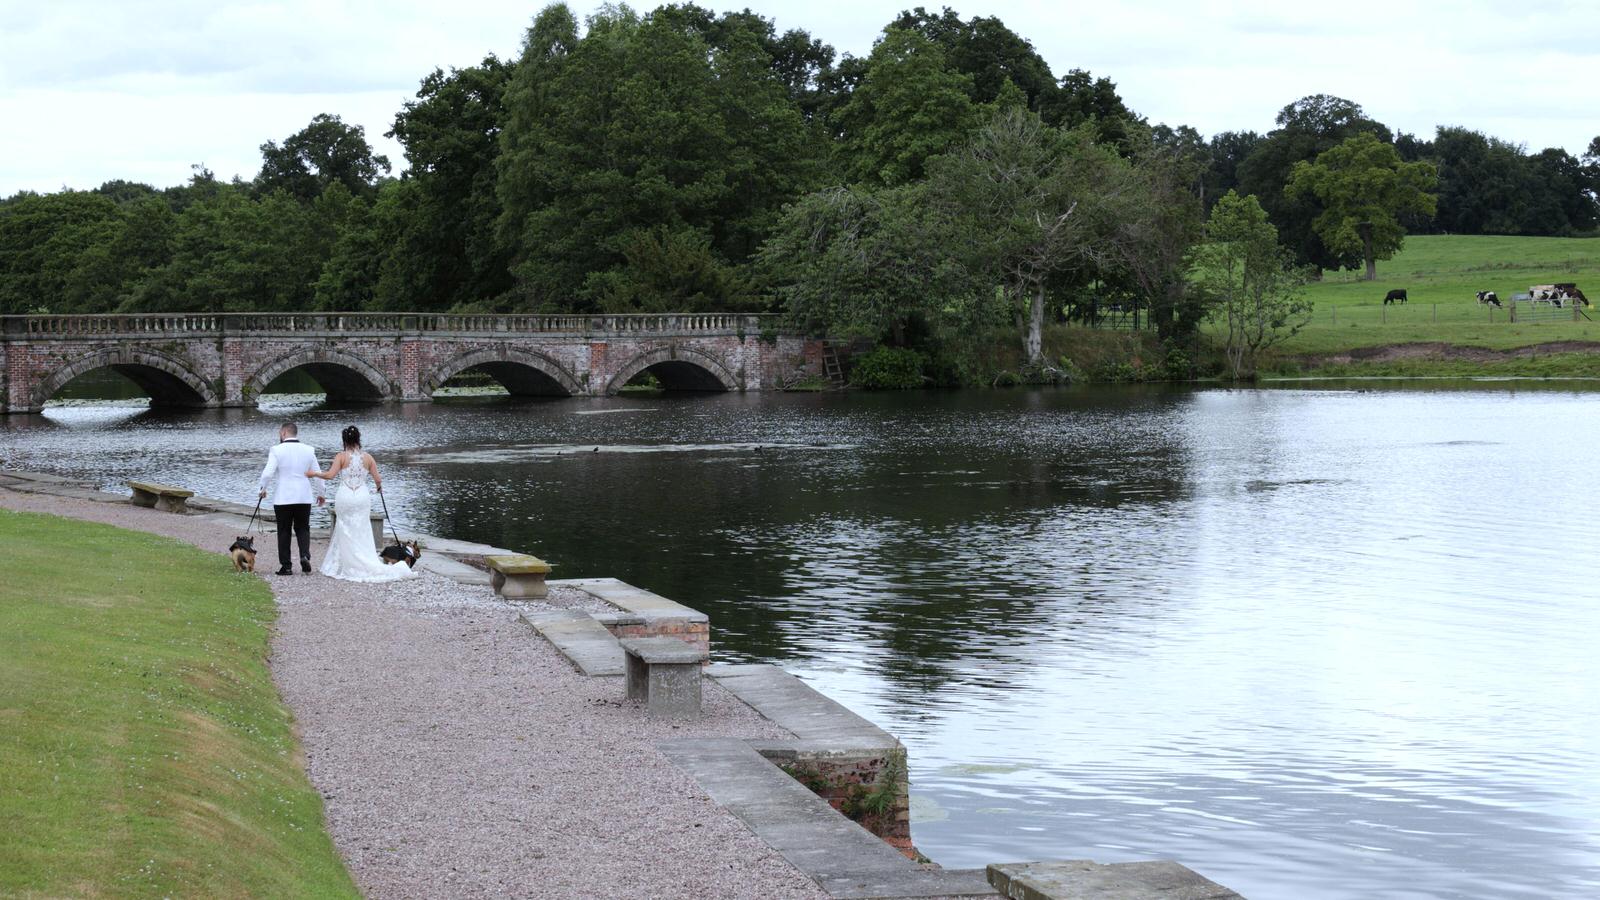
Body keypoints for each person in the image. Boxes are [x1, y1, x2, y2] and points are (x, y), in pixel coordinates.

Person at [306, 425, 416, 583]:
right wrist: (379, 488)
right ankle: (365, 558)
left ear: (345, 440)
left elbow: (329, 475)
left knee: (344, 526)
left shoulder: (341, 457)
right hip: (362, 497)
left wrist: (314, 473)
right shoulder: (368, 458)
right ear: (359, 439)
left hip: (345, 496)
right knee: (362, 527)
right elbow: (378, 479)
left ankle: (346, 562)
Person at [258, 421, 324, 576]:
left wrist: (262, 489)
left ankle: (286, 566)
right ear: (295, 433)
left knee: (283, 530)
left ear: (283, 433)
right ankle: (304, 555)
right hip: (303, 496)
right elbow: (317, 473)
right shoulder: (309, 450)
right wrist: (321, 493)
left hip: (284, 497)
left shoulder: (276, 450)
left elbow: (268, 473)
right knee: (303, 527)